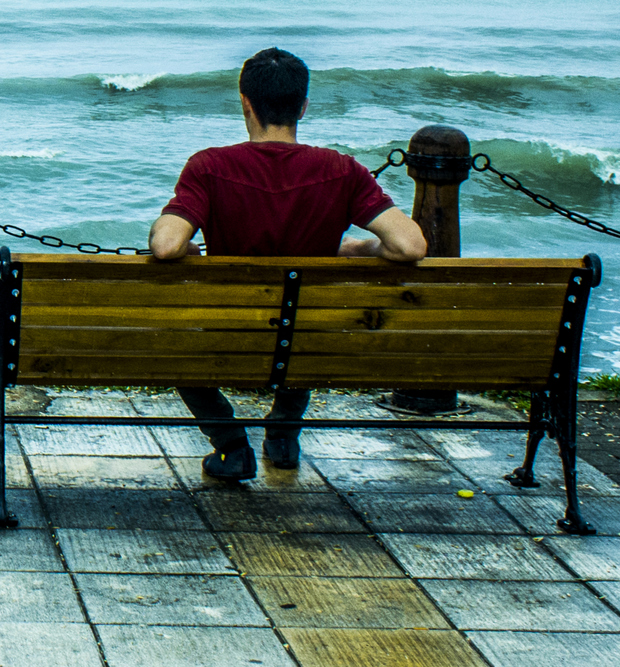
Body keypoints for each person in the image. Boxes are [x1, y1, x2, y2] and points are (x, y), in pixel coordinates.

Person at [149, 48, 427, 481]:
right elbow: (410, 245)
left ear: (245, 102)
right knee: (302, 322)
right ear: (302, 106)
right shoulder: (342, 169)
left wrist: (189, 248)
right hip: (306, 342)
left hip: (226, 336)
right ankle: (281, 435)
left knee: (171, 343)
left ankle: (229, 444)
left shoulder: (209, 166)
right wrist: (358, 249)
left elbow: (166, 246)